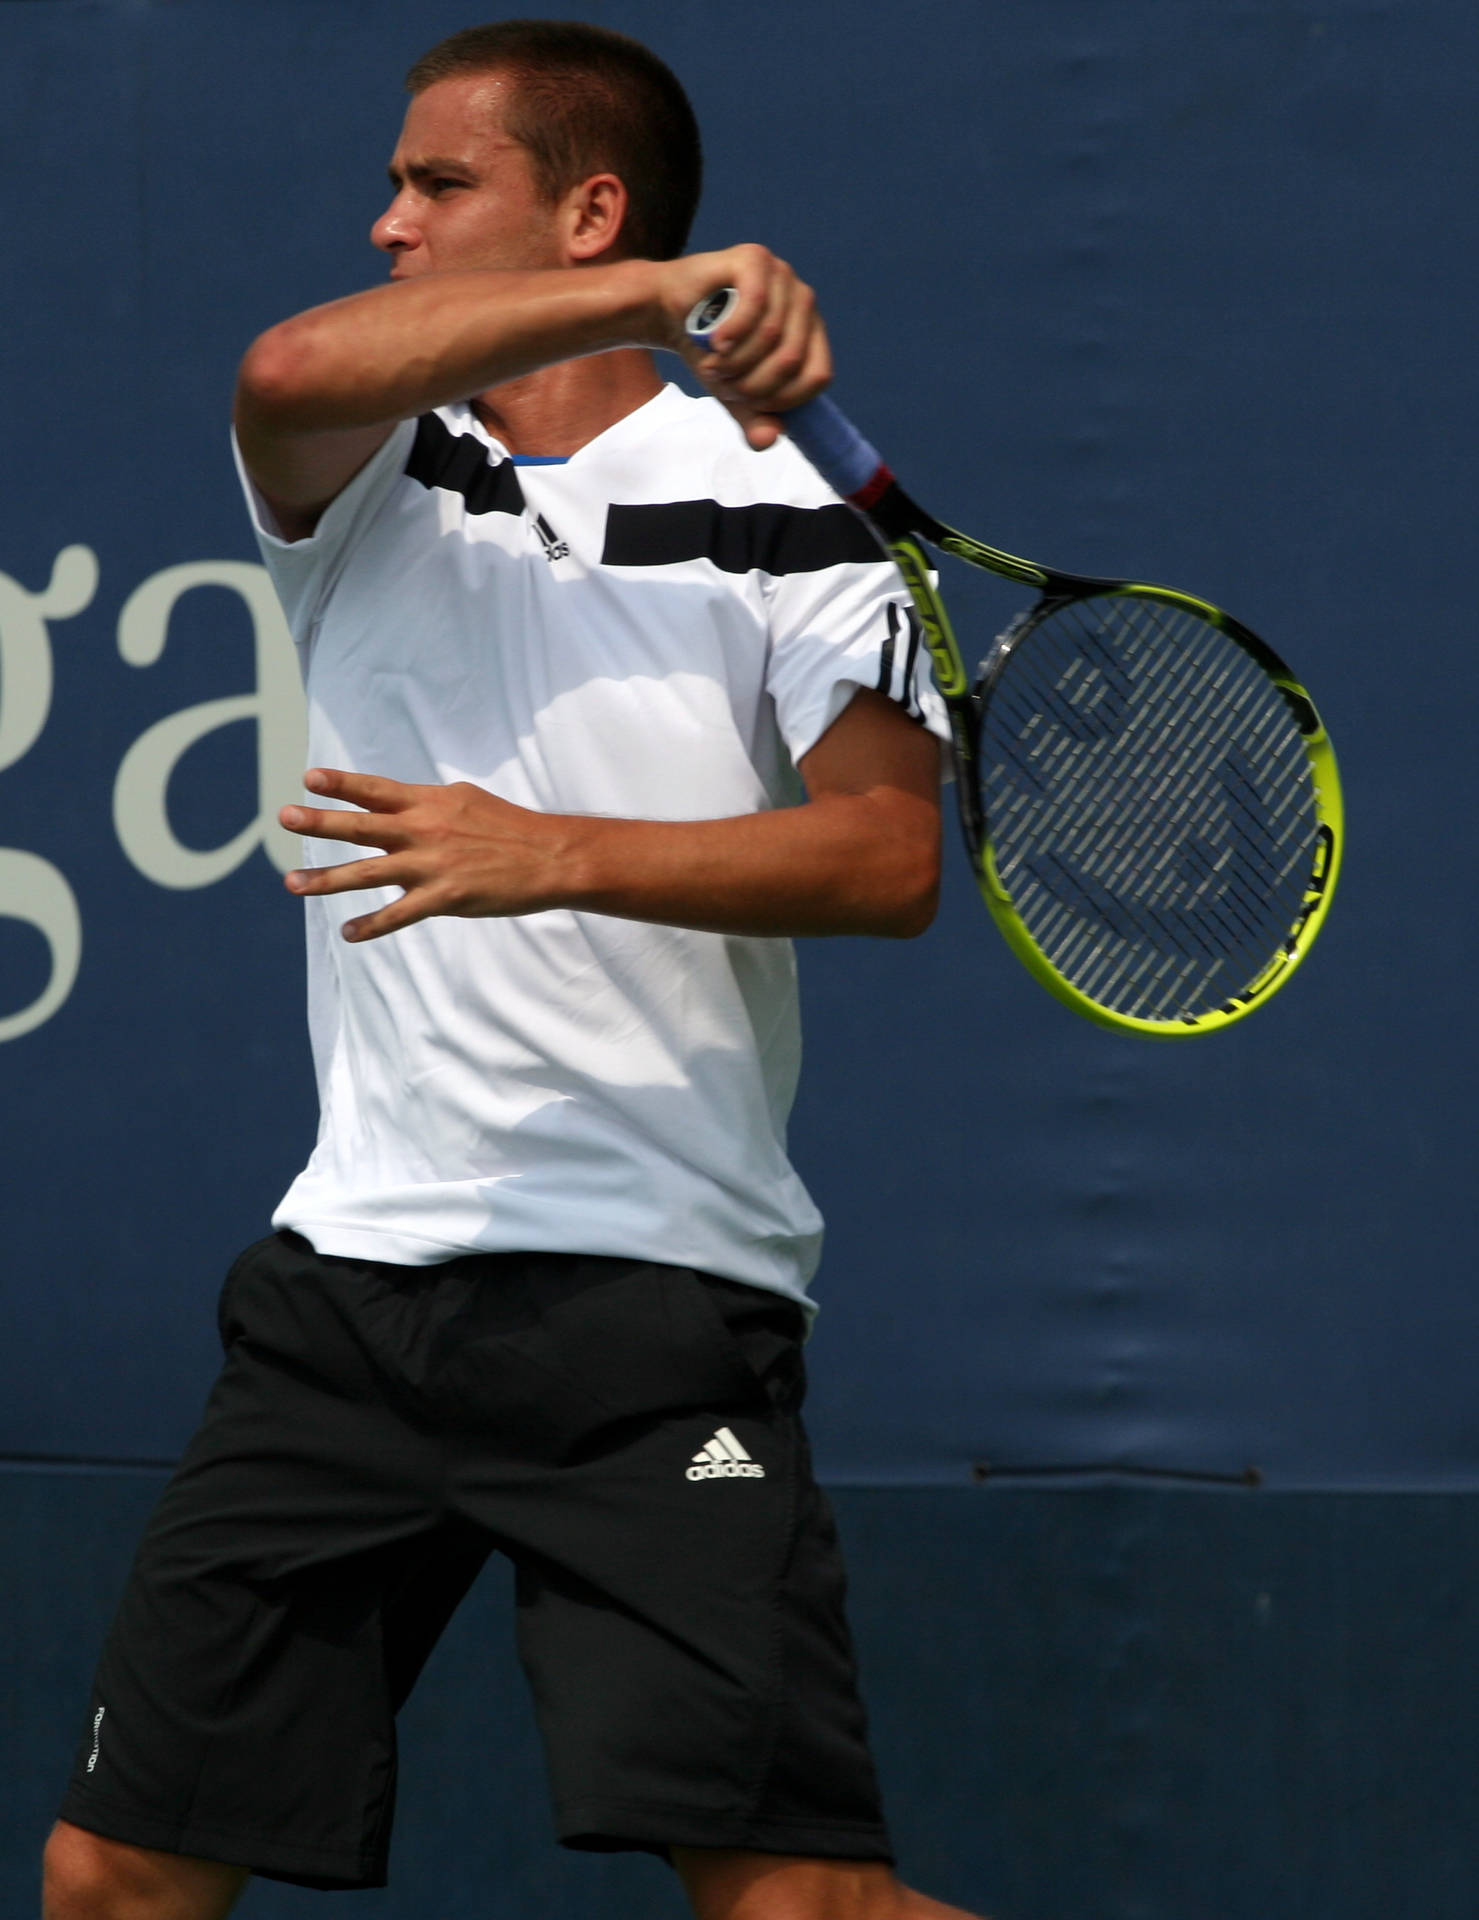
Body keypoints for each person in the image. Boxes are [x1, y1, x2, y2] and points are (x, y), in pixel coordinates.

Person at [44, 21, 983, 1920]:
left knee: (800, 1907)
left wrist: (549, 854)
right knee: (113, 1880)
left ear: (585, 204)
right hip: (351, 1304)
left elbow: (891, 865)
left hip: (656, 1313)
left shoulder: (802, 516)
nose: (384, 221)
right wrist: (664, 293)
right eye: (394, 184)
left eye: (435, 184)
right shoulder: (367, 473)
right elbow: (283, 365)